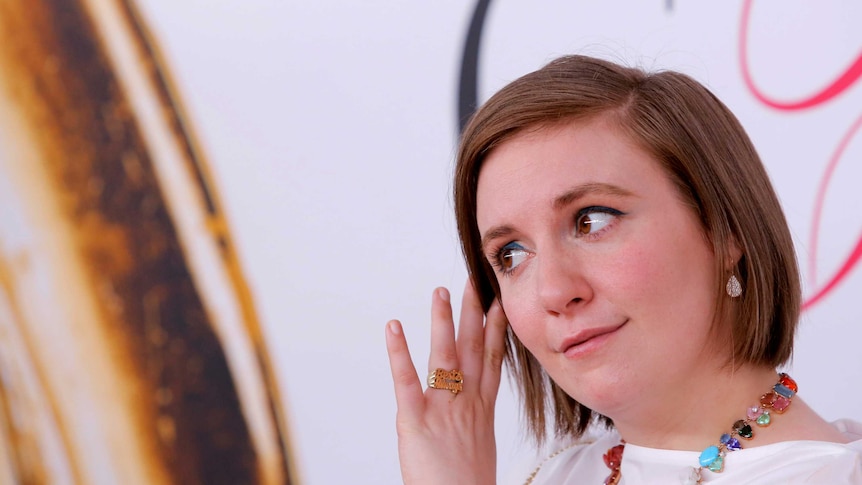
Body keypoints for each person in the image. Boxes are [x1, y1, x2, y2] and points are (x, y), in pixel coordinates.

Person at [384, 55, 862, 484]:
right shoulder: (548, 474)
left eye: (592, 220)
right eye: (511, 253)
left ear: (724, 227)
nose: (553, 290)